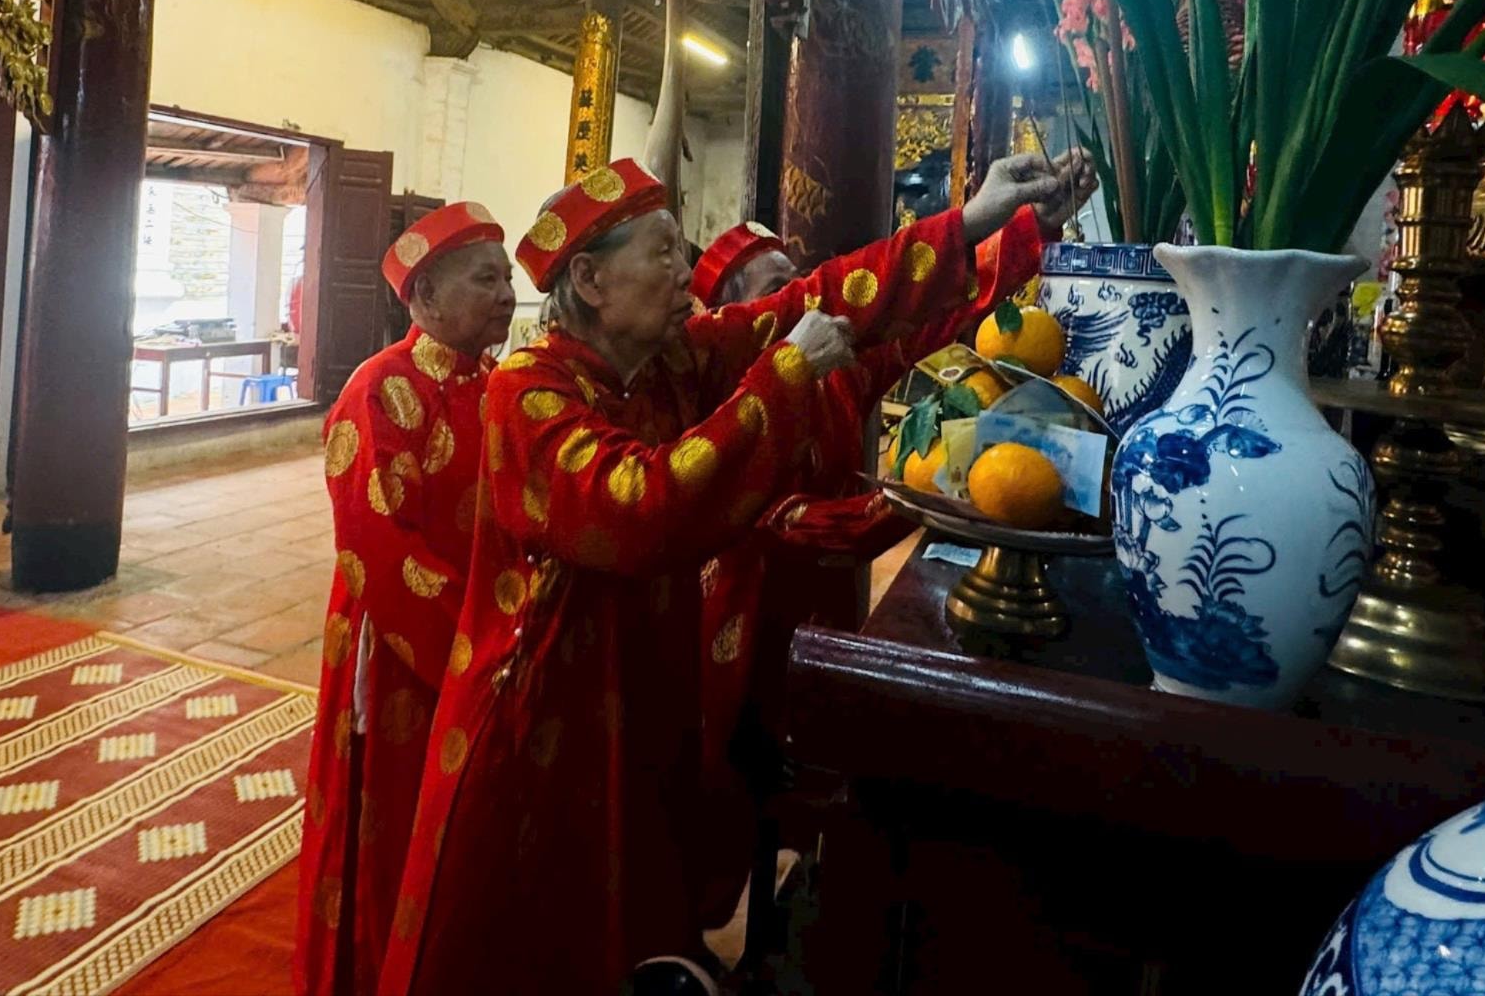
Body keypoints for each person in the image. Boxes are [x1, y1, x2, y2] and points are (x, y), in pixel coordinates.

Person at [376, 153, 1074, 995]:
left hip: (637, 693)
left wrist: (982, 223)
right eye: (663, 253)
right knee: (538, 936)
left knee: (639, 908)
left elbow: (813, 299)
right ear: (590, 281)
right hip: (544, 710)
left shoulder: (669, 360)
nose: (684, 272)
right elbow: (641, 510)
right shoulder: (528, 393)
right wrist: (785, 377)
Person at [686, 153, 1094, 927]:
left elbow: (934, 315)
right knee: (727, 783)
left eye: (799, 282)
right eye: (776, 291)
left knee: (816, 771)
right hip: (743, 617)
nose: (803, 303)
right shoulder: (723, 388)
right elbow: (768, 521)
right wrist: (911, 503)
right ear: (737, 318)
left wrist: (1028, 228)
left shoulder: (838, 372)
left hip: (823, 606)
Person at [294, 202, 516, 996]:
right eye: (485, 279)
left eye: (507, 278)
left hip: (486, 640)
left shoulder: (498, 385)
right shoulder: (379, 389)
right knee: (392, 813)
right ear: (424, 296)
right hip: (405, 648)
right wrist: (479, 646)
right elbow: (378, 548)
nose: (506, 295)